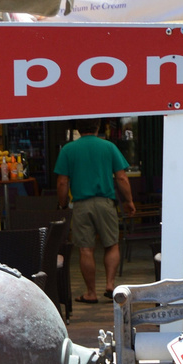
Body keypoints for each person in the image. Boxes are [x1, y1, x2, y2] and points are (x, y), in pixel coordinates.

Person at [54, 121, 135, 303]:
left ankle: (91, 292)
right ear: (98, 128)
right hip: (106, 202)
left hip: (81, 204)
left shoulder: (68, 149)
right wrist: (129, 201)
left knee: (86, 249)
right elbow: (121, 177)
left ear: (78, 129)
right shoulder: (109, 147)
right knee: (112, 244)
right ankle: (110, 284)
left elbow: (62, 182)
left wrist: (63, 204)